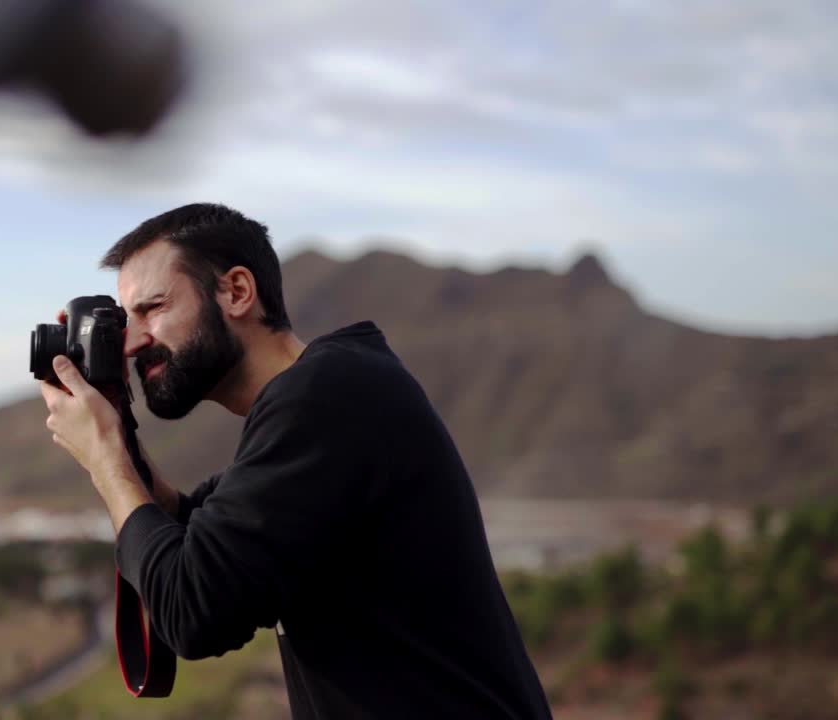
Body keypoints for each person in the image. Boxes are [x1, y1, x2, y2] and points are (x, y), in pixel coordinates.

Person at [39, 203, 552, 719]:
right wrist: (112, 425)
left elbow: (193, 610)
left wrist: (107, 462)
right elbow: (192, 532)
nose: (133, 342)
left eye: (152, 308)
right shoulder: (327, 394)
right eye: (125, 322)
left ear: (237, 292)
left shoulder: (329, 397)